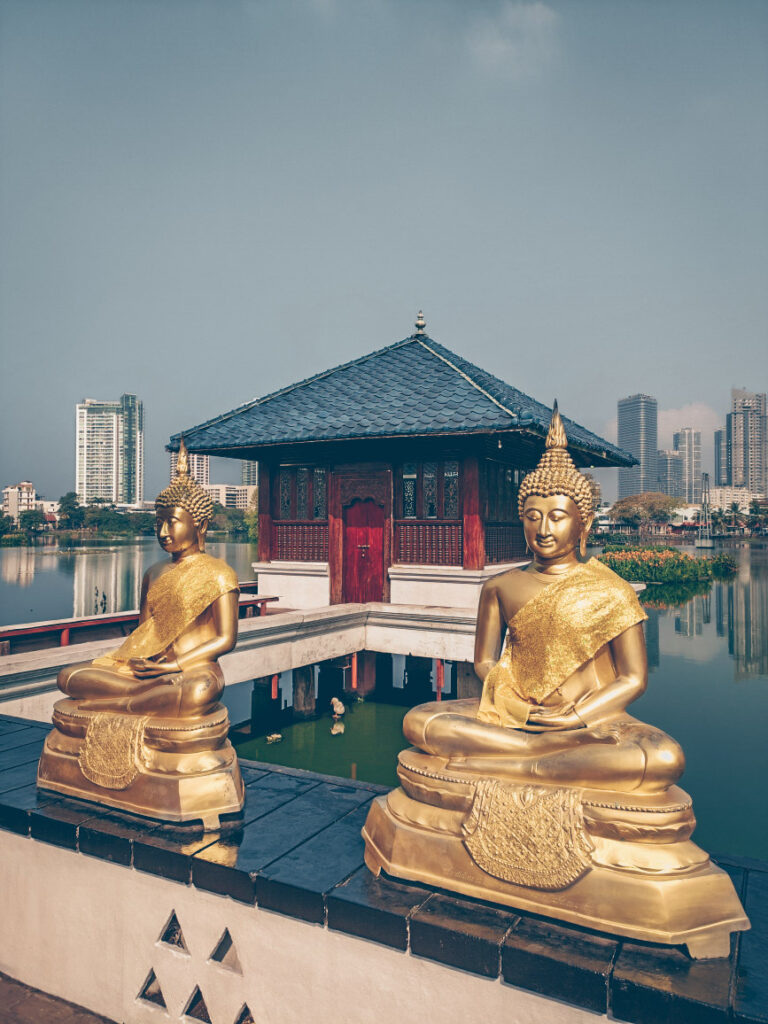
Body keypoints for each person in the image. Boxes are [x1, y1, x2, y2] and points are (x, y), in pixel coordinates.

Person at [402, 404, 683, 794]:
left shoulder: (611, 589)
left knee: (663, 757)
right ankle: (541, 757)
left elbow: (633, 678)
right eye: (533, 516)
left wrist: (575, 717)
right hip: (515, 716)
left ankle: (525, 760)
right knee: (422, 721)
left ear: (583, 523)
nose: (544, 528)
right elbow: (484, 660)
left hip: (590, 721)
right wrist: (516, 702)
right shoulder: (500, 587)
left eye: (557, 516)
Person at [57, 441, 239, 718]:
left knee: (198, 691)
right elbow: (143, 631)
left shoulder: (219, 573)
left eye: (173, 522)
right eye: (159, 523)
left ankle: (117, 703)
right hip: (147, 670)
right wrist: (144, 664)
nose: (164, 531)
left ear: (200, 525)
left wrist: (173, 665)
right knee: (68, 677)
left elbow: (226, 639)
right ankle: (139, 698)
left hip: (192, 669)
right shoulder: (154, 573)